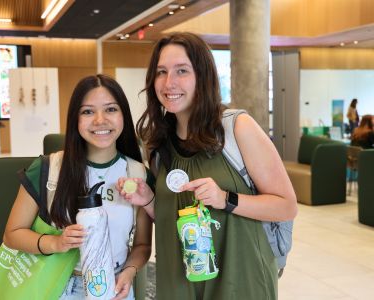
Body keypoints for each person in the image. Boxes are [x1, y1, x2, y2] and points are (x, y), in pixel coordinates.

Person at [118, 32, 297, 299]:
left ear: (202, 76)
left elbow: (286, 206)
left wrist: (225, 198)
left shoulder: (236, 128)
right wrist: (147, 201)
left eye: (182, 71)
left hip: (240, 276)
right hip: (181, 277)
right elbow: (175, 214)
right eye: (162, 72)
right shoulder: (158, 144)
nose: (170, 82)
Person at [4, 74, 152, 300]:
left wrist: (129, 272)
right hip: (60, 286)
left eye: (111, 109)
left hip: (114, 287)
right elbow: (12, 235)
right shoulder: (49, 168)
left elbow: (142, 245)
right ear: (75, 119)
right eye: (88, 111)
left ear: (124, 115)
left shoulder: (138, 174)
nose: (100, 120)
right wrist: (56, 241)